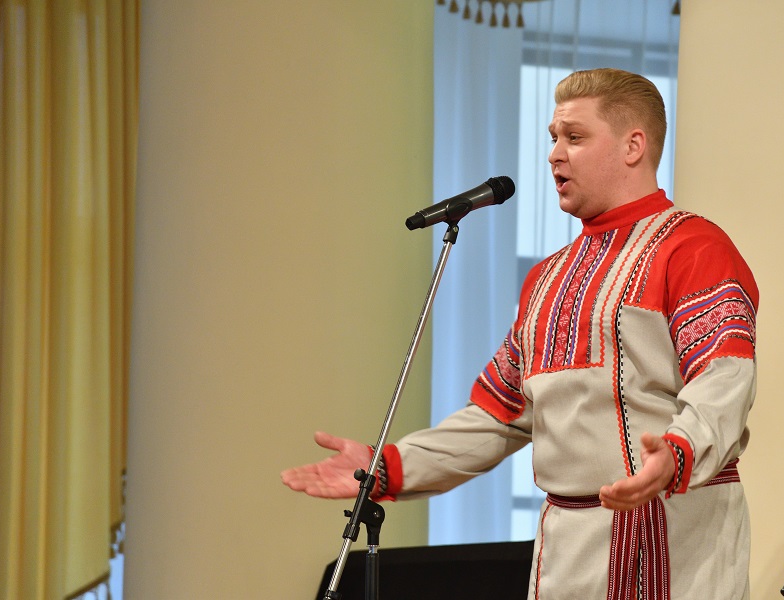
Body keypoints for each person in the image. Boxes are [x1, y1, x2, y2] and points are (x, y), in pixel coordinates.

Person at [282, 68, 758, 600]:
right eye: (553, 138)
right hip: (568, 548)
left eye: (574, 137)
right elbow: (499, 417)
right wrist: (386, 468)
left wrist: (676, 452)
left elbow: (724, 379)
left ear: (633, 146)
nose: (554, 154)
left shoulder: (693, 248)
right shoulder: (546, 278)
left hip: (675, 537)